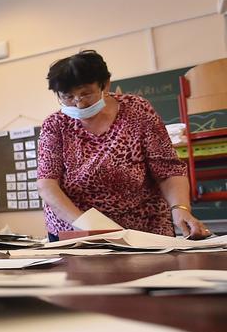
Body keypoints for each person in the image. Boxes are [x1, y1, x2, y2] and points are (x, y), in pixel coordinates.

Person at [36, 50, 211, 240]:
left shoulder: (138, 111)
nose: (78, 104)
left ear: (105, 84)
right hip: (77, 229)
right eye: (68, 97)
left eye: (86, 94)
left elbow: (168, 169)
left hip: (143, 229)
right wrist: (91, 226)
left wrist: (180, 208)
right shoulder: (55, 125)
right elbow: (47, 185)